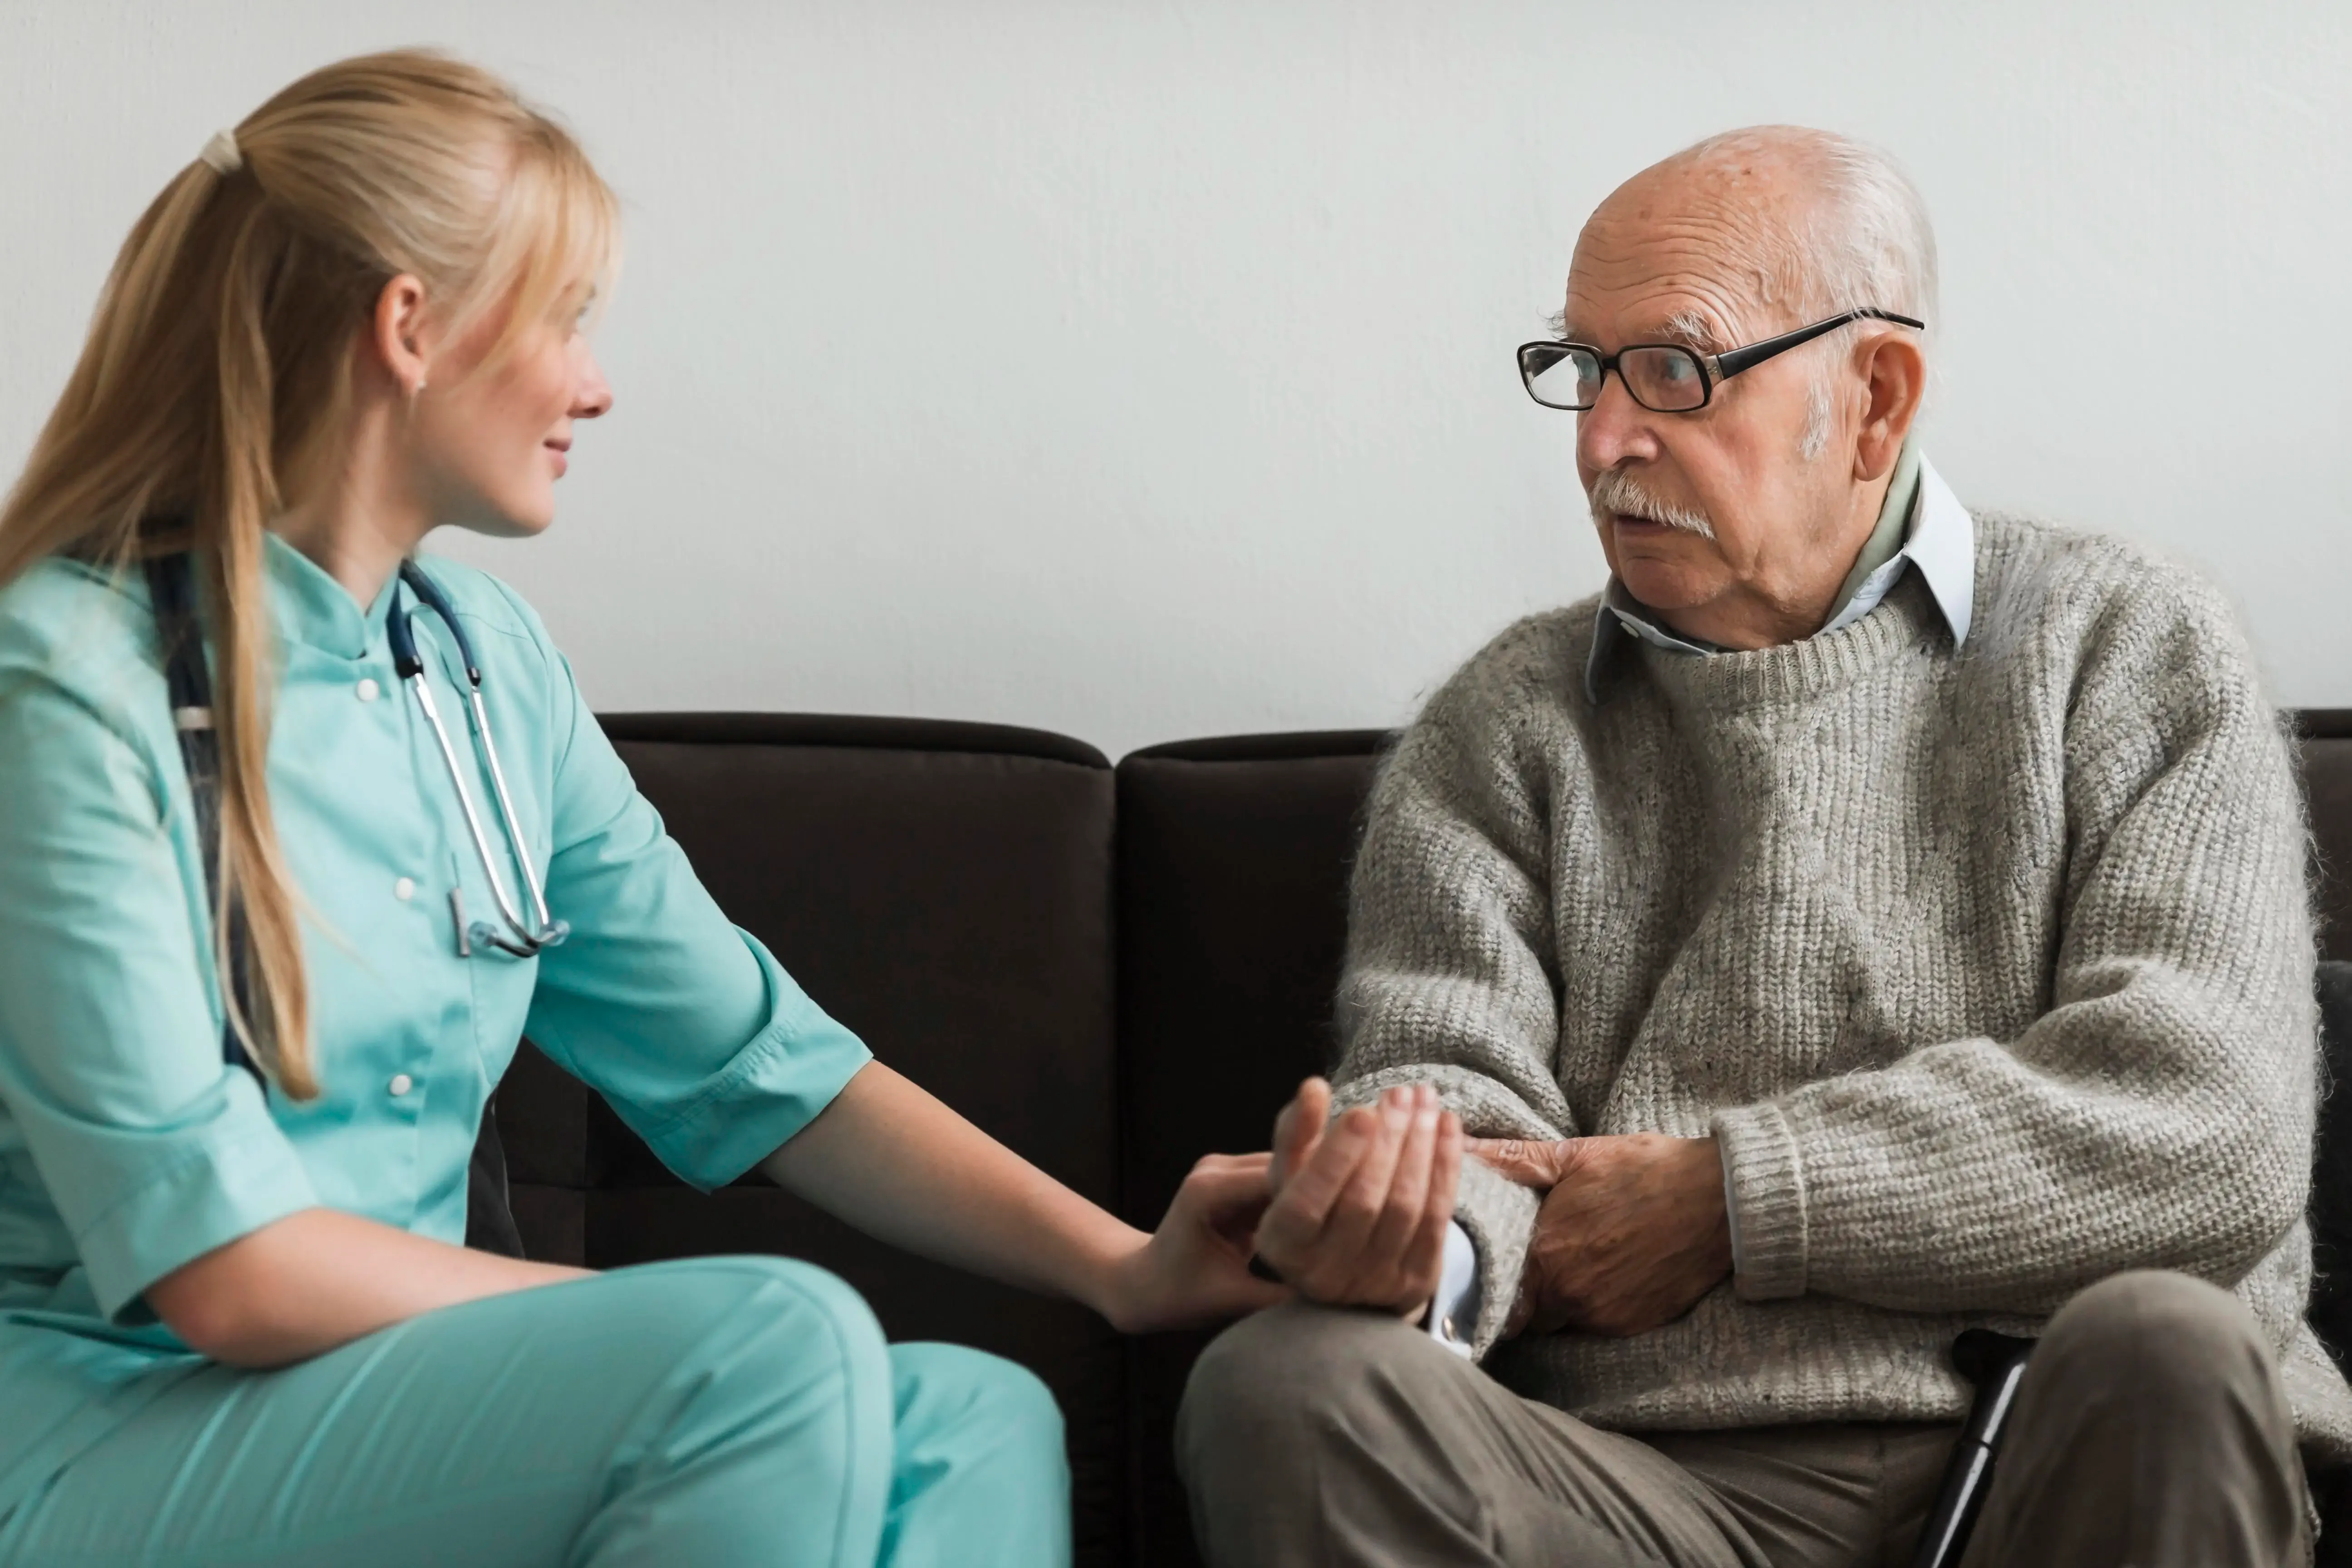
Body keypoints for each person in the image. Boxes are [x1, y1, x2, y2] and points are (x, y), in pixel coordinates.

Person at [0, 49, 1279, 1567]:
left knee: (976, 1418)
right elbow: (227, 1275)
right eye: (568, 320)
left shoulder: (485, 672)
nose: (595, 384)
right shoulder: (66, 685)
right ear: (411, 328)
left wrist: (1126, 1269)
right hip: (93, 1424)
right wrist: (708, 1339)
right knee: (775, 1341)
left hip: (369, 1405)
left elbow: (760, 1062)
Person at [1178, 125, 2352, 1568]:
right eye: (1582, 370)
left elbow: (2206, 1129)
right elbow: (1461, 1101)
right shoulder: (1502, 722)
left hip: (2046, 1436)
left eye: (1674, 367)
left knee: (2171, 1340)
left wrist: (1733, 1202)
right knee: (1289, 1386)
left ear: (1875, 399)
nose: (1606, 438)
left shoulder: (2129, 647)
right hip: (1626, 1487)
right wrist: (1421, 1232)